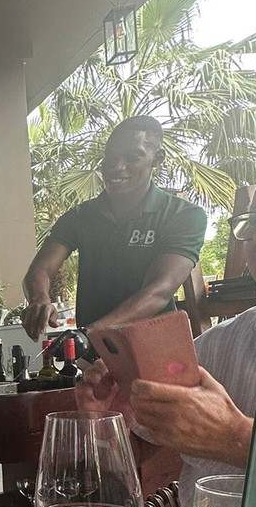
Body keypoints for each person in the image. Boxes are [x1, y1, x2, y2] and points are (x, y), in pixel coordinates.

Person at [77, 129, 256, 507]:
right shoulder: (216, 347)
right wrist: (108, 424)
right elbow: (142, 459)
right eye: (254, 220)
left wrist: (237, 440)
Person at [21, 116, 207, 342]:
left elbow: (159, 291)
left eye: (133, 157)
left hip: (157, 348)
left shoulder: (183, 215)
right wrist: (39, 299)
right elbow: (39, 270)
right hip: (96, 352)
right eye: (110, 158)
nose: (117, 167)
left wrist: (91, 333)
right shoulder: (80, 216)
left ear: (157, 158)